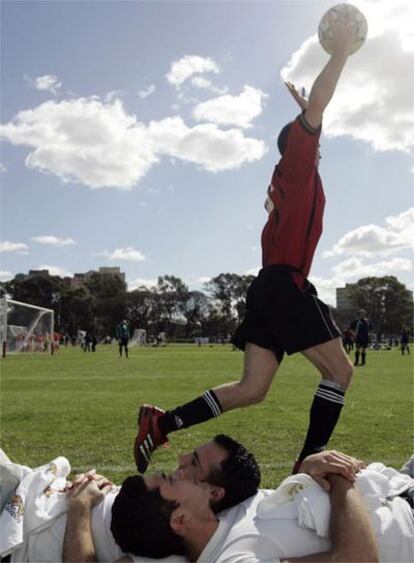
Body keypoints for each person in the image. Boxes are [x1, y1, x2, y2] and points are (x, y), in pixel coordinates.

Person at [135, 11, 358, 475]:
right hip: (282, 286)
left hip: (267, 289)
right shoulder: (298, 167)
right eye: (311, 134)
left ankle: (162, 422)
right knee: (340, 372)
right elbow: (318, 106)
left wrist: (307, 116)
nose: (318, 140)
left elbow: (313, 118)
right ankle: (306, 465)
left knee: (252, 389)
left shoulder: (287, 181)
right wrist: (338, 53)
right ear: (299, 142)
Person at [62, 450, 414, 563]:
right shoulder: (234, 557)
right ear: (180, 518)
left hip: (398, 482)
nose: (184, 472)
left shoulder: (223, 509)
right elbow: (357, 560)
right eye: (172, 480)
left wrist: (308, 468)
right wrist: (339, 481)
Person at [0, 435, 260, 562]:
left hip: (12, 521)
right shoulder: (181, 506)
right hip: (25, 486)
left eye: (193, 463)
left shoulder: (176, 544)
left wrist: (81, 506)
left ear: (214, 493)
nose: (180, 461)